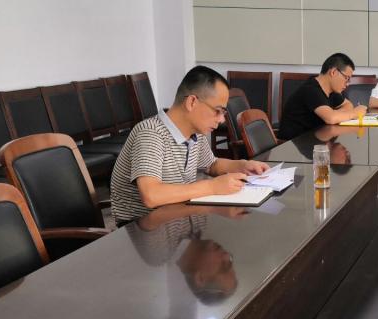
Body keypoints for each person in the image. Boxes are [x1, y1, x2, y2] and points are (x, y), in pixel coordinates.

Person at [110, 66, 269, 225]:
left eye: (224, 113)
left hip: (177, 218)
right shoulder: (151, 133)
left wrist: (242, 166)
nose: (221, 119)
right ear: (192, 102)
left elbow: (211, 165)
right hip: (143, 229)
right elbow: (151, 195)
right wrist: (212, 187)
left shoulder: (195, 133)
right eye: (218, 111)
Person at [278, 53, 367, 140]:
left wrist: (336, 114)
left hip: (315, 139)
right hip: (291, 144)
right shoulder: (310, 89)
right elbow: (331, 118)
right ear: (334, 72)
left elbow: (348, 105)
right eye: (346, 78)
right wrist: (355, 113)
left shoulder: (331, 90)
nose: (347, 84)